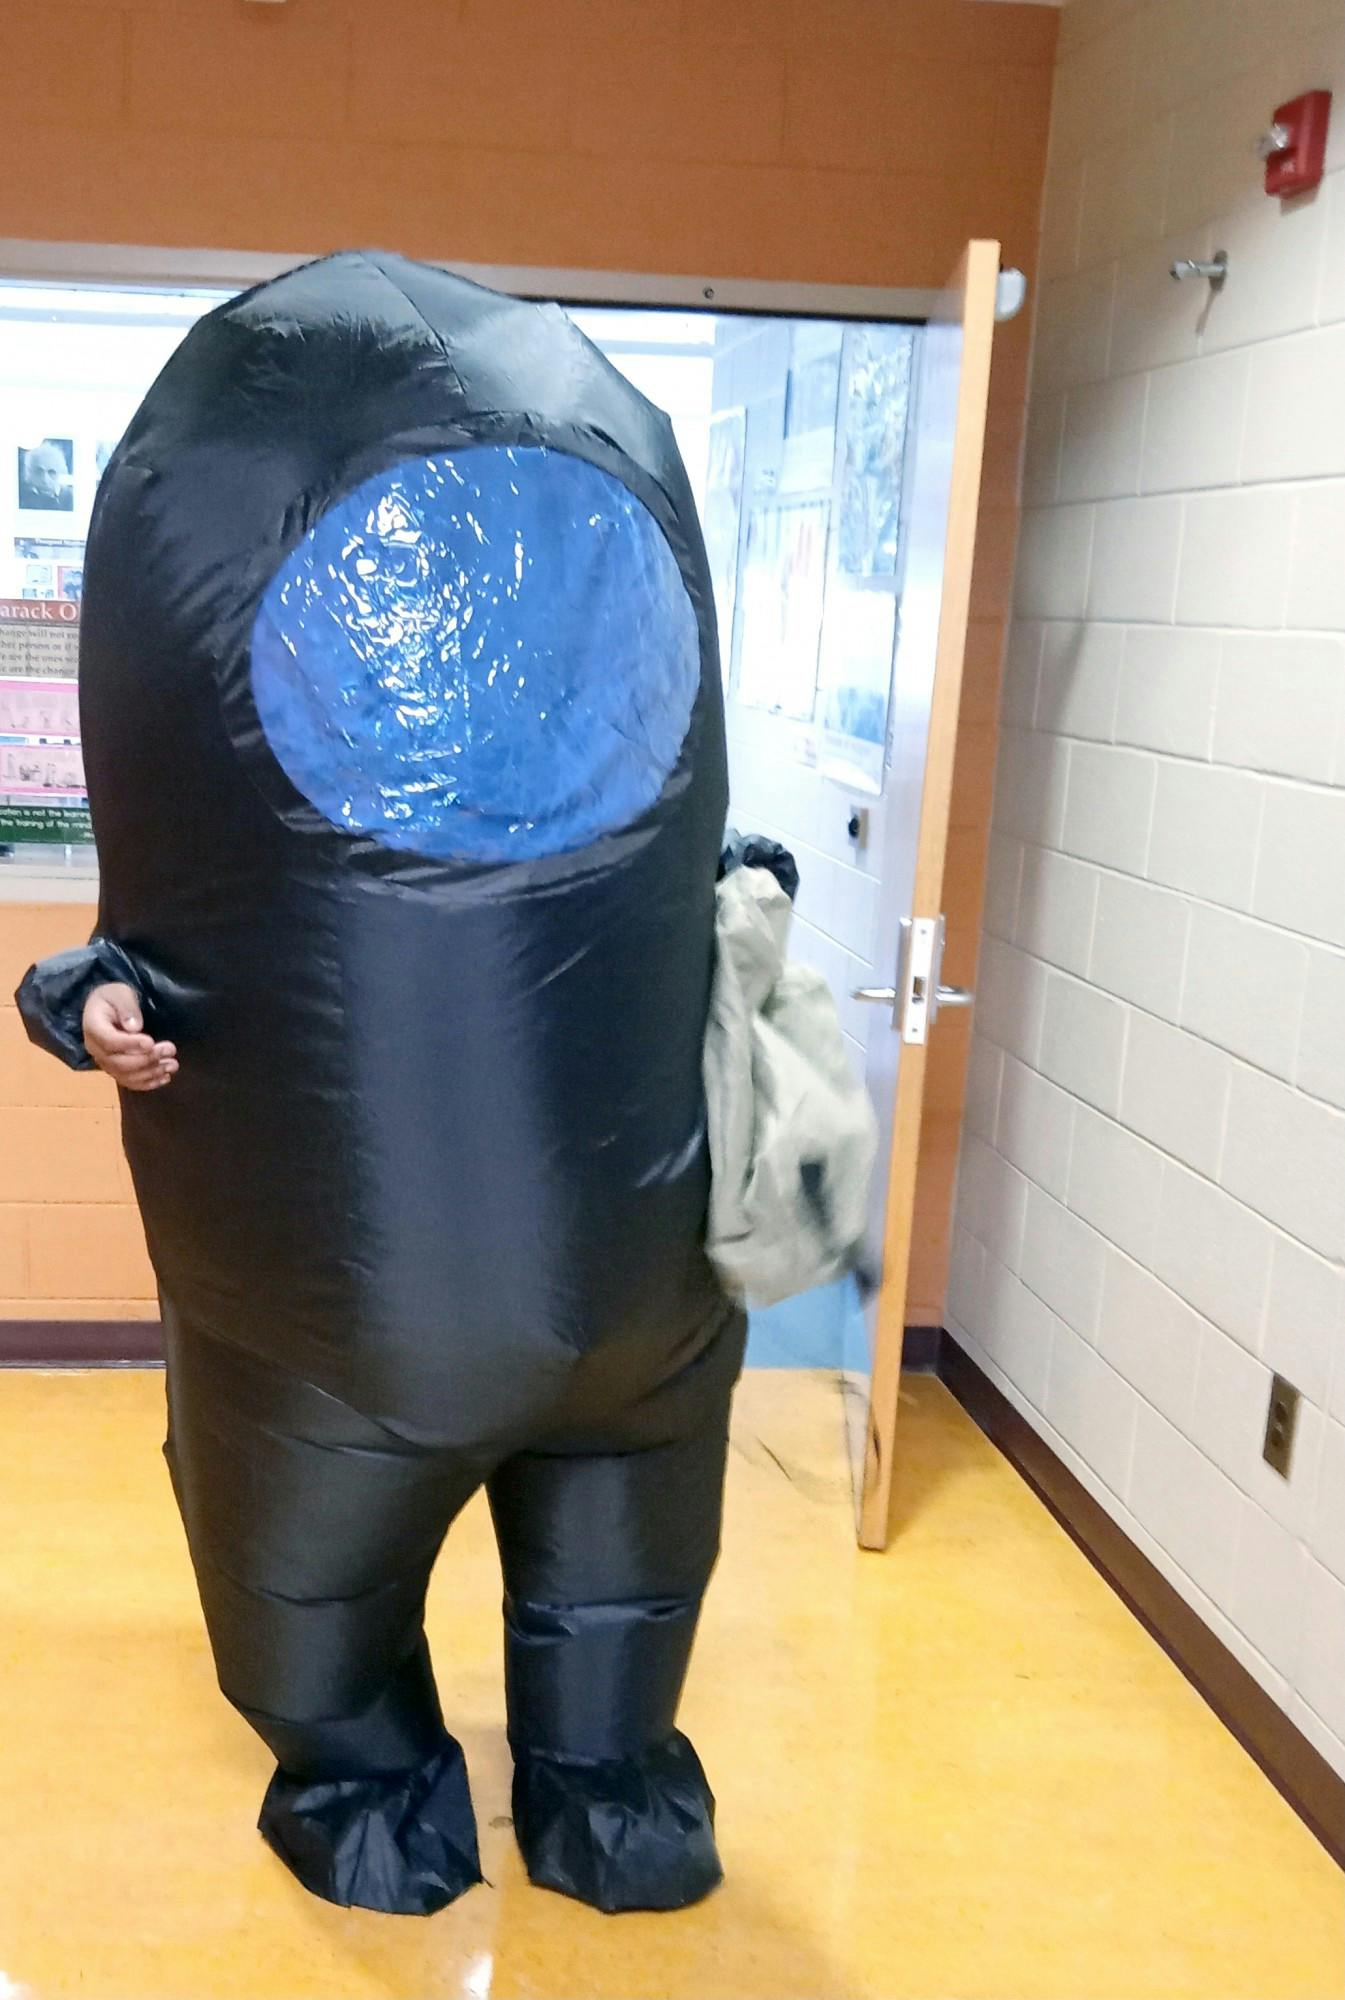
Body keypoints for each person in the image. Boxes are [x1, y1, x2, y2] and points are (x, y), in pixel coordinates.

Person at [19, 251, 742, 1920]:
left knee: (327, 1563)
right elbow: (154, 932)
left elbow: (688, 862)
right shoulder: (587, 489)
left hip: (418, 1300)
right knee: (404, 1564)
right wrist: (92, 1001)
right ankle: (453, 1777)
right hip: (483, 1290)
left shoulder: (229, 490)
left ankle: (514, 1776)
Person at [18, 440, 74, 511]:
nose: (45, 479)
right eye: (39, 471)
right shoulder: (22, 499)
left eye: (52, 472)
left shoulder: (72, 497)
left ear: (61, 473)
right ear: (29, 472)